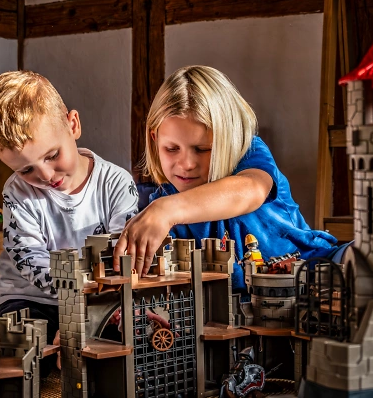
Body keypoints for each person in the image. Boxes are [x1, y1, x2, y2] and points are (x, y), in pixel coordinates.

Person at [113, 65, 345, 297]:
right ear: (154, 139)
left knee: (368, 258)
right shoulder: (161, 206)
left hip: (315, 270)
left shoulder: (250, 154)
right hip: (243, 311)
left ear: (229, 137)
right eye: (172, 149)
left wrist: (167, 210)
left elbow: (251, 190)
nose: (186, 164)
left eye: (202, 149)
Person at [0, 70, 138, 372]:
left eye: (52, 155)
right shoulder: (16, 191)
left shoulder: (116, 182)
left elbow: (121, 253)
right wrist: (72, 313)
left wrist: (89, 310)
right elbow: (29, 260)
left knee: (122, 341)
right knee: (24, 353)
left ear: (73, 125)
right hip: (28, 297)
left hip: (96, 297)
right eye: (26, 170)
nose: (46, 176)